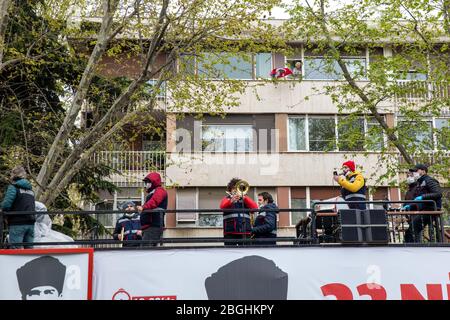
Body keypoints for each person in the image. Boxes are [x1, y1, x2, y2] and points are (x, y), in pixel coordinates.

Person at [404, 164, 443, 243]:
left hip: (431, 210)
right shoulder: (420, 183)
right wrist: (410, 207)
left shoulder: (429, 180)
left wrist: (422, 197)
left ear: (423, 171)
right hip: (424, 209)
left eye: (416, 171)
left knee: (413, 230)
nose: (414, 173)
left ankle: (411, 248)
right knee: (411, 230)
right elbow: (418, 201)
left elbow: (438, 193)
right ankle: (410, 246)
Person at [1, 166, 35, 248]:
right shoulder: (31, 191)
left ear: (13, 175)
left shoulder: (13, 187)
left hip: (17, 223)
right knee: (30, 251)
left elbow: (6, 205)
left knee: (16, 251)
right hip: (31, 223)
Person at [219, 178, 258, 246]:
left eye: (238, 188)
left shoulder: (245, 199)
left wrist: (245, 198)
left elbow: (255, 208)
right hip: (230, 231)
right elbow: (222, 207)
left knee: (246, 253)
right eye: (234, 188)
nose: (236, 190)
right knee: (230, 253)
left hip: (245, 230)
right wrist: (231, 200)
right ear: (230, 190)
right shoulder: (227, 198)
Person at [137, 172, 167, 246]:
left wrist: (143, 207)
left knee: (146, 250)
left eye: (148, 182)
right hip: (150, 227)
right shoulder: (153, 192)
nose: (146, 184)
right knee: (148, 250)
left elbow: (154, 201)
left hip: (154, 226)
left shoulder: (160, 190)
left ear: (153, 182)